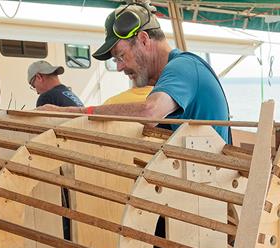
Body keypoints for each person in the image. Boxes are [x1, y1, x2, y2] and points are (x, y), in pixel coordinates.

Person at [38, 0, 230, 142]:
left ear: (144, 39)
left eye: (121, 56)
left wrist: (78, 112)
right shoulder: (172, 75)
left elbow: (150, 112)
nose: (120, 67)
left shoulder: (183, 66)